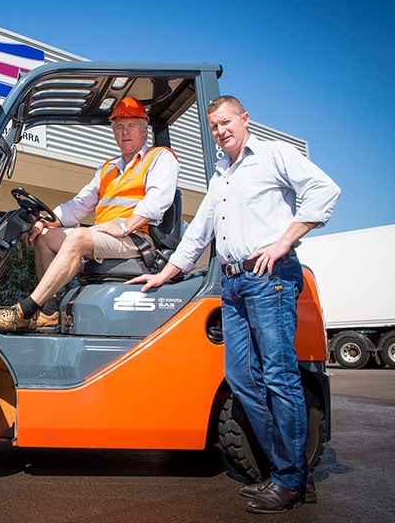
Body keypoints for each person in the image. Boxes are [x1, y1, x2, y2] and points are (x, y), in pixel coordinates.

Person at [127, 95, 340, 514]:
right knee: (240, 376)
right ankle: (292, 472)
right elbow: (199, 233)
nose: (221, 130)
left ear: (245, 120)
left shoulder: (273, 155)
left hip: (269, 278)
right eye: (214, 127)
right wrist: (163, 274)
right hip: (234, 284)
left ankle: (290, 480)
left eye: (226, 122)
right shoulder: (221, 175)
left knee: (279, 376)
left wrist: (283, 242)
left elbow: (325, 191)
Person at [0, 96, 180, 333]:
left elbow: (158, 201)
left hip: (136, 239)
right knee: (45, 236)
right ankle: (48, 312)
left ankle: (25, 311)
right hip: (108, 236)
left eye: (131, 126)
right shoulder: (108, 168)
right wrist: (45, 221)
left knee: (77, 238)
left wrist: (125, 227)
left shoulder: (159, 158)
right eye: (119, 127)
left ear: (144, 129)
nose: (124, 132)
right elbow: (79, 204)